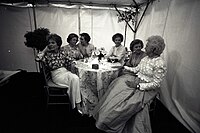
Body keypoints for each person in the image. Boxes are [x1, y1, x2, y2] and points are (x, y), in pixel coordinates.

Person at [92, 35, 167, 133]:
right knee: (117, 87)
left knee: (128, 103)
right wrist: (124, 68)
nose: (145, 47)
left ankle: (112, 120)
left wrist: (138, 86)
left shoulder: (160, 63)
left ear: (154, 49)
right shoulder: (145, 59)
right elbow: (136, 69)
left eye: (147, 46)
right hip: (136, 79)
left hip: (147, 88)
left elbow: (156, 84)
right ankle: (106, 117)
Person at [36, 33, 82, 113]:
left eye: (53, 42)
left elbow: (70, 60)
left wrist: (73, 63)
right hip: (56, 75)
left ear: (58, 44)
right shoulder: (47, 54)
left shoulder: (62, 52)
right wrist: (45, 49)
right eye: (49, 43)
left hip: (65, 71)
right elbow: (37, 58)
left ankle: (76, 105)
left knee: (76, 78)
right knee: (74, 80)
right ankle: (77, 106)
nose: (50, 44)